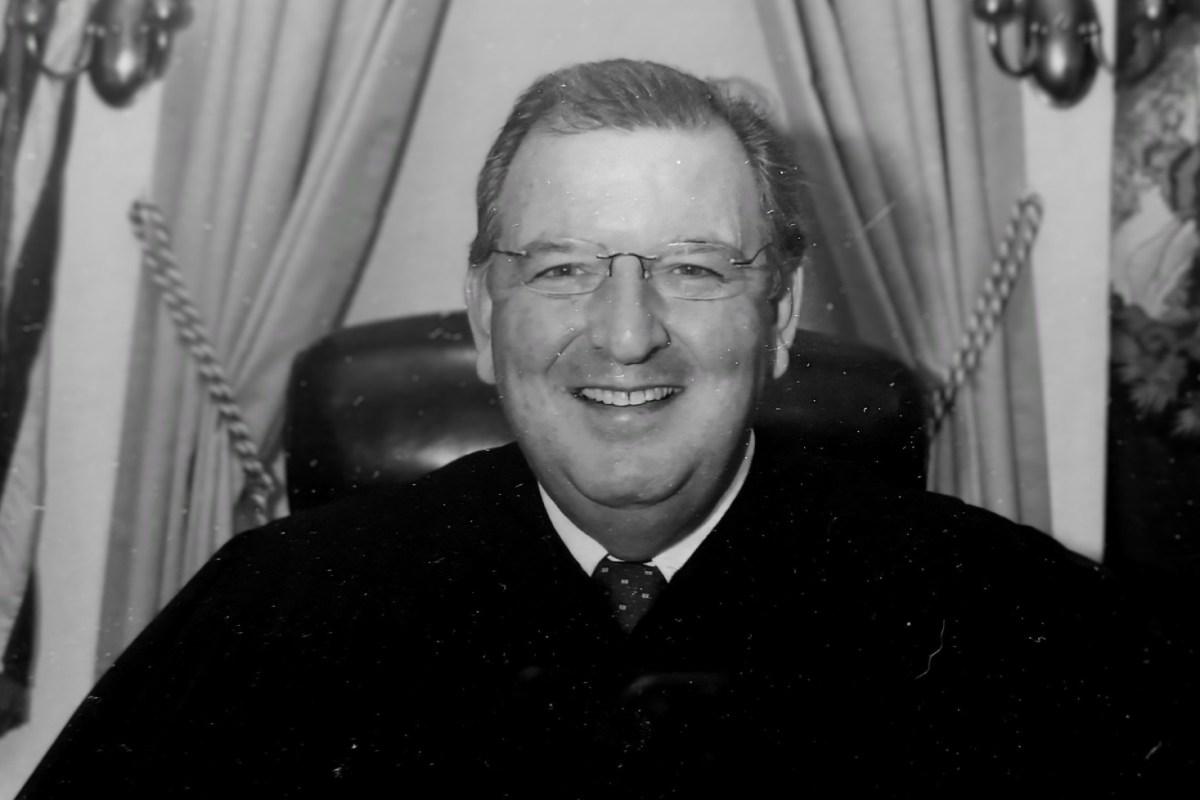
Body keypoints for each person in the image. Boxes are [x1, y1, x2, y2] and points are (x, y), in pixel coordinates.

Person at [20, 59, 1163, 797]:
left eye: (694, 268)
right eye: (562, 267)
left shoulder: (1009, 616)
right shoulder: (273, 610)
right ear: (482, 314)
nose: (626, 335)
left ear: (782, 315)